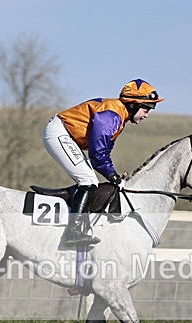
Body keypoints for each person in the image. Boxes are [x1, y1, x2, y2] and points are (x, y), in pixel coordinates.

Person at [43, 79, 164, 245]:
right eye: (146, 108)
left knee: (88, 179)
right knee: (87, 180)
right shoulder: (112, 115)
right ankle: (73, 232)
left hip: (66, 135)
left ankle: (69, 201)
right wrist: (113, 177)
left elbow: (104, 152)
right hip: (60, 133)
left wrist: (112, 174)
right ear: (133, 104)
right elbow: (98, 155)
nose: (147, 114)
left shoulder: (119, 115)